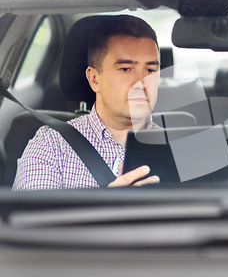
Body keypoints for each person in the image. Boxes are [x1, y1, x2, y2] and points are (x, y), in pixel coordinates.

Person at [13, 15, 162, 190]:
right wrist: (109, 206)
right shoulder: (51, 146)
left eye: (150, 70)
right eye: (125, 69)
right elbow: (32, 216)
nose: (142, 84)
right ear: (94, 79)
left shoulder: (180, 146)